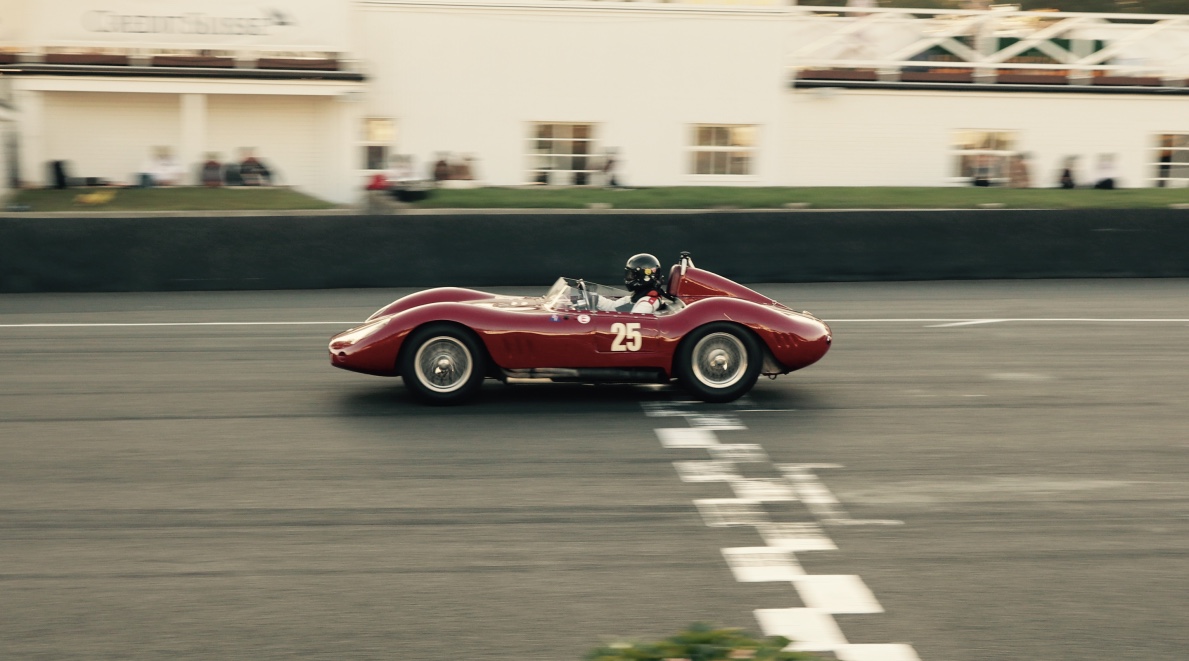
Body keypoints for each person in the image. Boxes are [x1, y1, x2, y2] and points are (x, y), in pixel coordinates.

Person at [594, 253, 674, 314]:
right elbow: (611, 306)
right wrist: (592, 298)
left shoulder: (647, 303)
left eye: (631, 275)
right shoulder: (637, 297)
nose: (628, 278)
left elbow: (633, 321)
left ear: (645, 277)